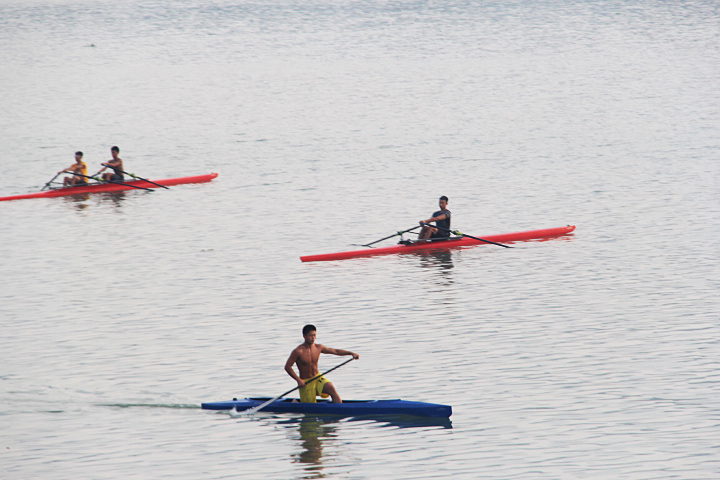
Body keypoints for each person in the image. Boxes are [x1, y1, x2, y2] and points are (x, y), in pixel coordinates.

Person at [285, 324, 359, 403]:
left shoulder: (318, 347)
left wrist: (351, 353)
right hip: (306, 382)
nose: (313, 338)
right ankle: (295, 402)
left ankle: (341, 409)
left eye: (314, 335)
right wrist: (298, 380)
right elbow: (287, 367)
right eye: (310, 335)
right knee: (309, 407)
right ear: (304, 336)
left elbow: (335, 351)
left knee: (331, 388)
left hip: (318, 378)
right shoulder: (298, 351)